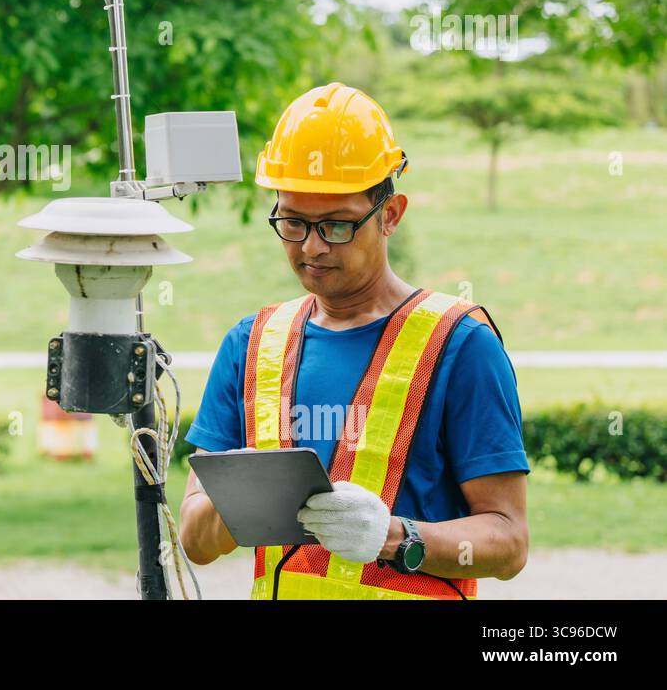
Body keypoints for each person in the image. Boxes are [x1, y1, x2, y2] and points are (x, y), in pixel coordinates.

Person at [178, 82, 530, 599]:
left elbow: (509, 541)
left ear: (390, 215)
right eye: (293, 222)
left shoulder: (460, 343)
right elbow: (196, 541)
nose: (312, 246)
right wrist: (248, 500)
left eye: (337, 226)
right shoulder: (251, 345)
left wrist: (397, 537)